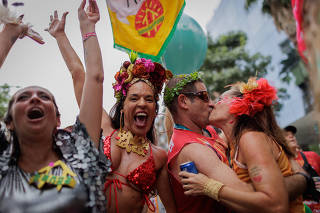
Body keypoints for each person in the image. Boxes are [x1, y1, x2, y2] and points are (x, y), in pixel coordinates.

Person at [46, 9, 177, 213]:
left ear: (154, 110)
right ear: (123, 107)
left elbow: (171, 209)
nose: (142, 103)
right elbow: (80, 75)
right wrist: (61, 36)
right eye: (134, 98)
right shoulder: (104, 128)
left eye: (149, 99)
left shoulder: (159, 156)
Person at [0, 0, 110, 212]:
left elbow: (94, 78)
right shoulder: (3, 159)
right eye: (23, 98)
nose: (35, 99)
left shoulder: (80, 149)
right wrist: (9, 34)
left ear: (58, 120)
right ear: (9, 122)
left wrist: (88, 29)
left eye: (44, 96)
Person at [178, 77, 305, 212]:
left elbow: (276, 206)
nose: (212, 104)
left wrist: (209, 187)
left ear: (238, 105)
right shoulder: (235, 144)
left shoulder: (250, 139)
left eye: (220, 100)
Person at [164, 72, 255, 213]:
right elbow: (248, 197)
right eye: (204, 97)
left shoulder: (205, 131)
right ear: (183, 101)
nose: (211, 104)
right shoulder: (192, 148)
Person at [284, 125, 320, 212]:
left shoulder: (312, 155)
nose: (291, 136)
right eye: (286, 135)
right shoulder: (283, 165)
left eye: (292, 134)